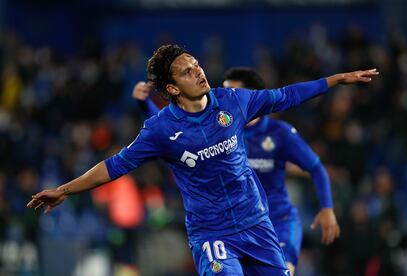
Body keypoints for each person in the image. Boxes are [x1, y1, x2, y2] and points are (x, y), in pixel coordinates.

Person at [27, 45, 378, 275]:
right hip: (213, 233)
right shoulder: (160, 129)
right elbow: (115, 166)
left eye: (196, 64)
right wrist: (65, 190)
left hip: (256, 223)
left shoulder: (233, 102)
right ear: (173, 90)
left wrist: (336, 80)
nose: (198, 71)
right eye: (186, 71)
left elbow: (285, 95)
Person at [133, 67, 340, 276]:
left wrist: (327, 207)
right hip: (235, 225)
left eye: (231, 91)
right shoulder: (221, 130)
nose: (221, 97)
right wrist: (144, 104)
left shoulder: (280, 134)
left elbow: (315, 167)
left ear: (250, 96)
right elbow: (171, 136)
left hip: (278, 221)